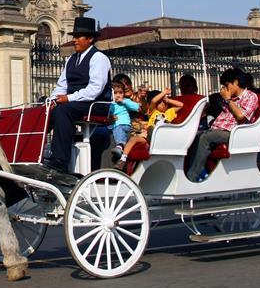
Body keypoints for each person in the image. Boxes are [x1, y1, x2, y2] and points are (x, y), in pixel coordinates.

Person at [45, 16, 112, 174]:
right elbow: (62, 85)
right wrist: (51, 100)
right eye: (74, 36)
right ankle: (35, 152)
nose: (74, 40)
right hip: (76, 103)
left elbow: (95, 89)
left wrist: (68, 98)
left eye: (78, 36)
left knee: (63, 110)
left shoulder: (99, 58)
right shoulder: (71, 59)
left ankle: (60, 160)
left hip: (96, 104)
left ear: (90, 39)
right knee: (45, 111)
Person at [185, 68, 259, 182]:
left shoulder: (250, 96)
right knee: (193, 135)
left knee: (205, 138)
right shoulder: (229, 98)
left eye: (226, 85)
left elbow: (241, 116)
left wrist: (228, 100)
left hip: (235, 132)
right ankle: (196, 172)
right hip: (217, 130)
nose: (224, 88)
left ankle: (191, 177)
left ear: (235, 82)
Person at [116, 88, 184, 170]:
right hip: (149, 135)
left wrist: (168, 100)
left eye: (164, 102)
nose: (163, 104)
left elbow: (181, 105)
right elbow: (153, 101)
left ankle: (153, 138)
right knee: (134, 139)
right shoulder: (153, 112)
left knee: (151, 129)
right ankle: (123, 159)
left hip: (161, 136)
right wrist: (164, 93)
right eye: (160, 102)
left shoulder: (170, 112)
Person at [107, 81, 141, 162]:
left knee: (119, 129)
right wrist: (110, 116)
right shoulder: (110, 103)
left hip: (124, 124)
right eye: (115, 93)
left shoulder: (125, 101)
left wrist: (124, 101)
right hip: (114, 126)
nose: (118, 95)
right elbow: (107, 113)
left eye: (120, 93)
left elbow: (136, 107)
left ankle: (120, 145)